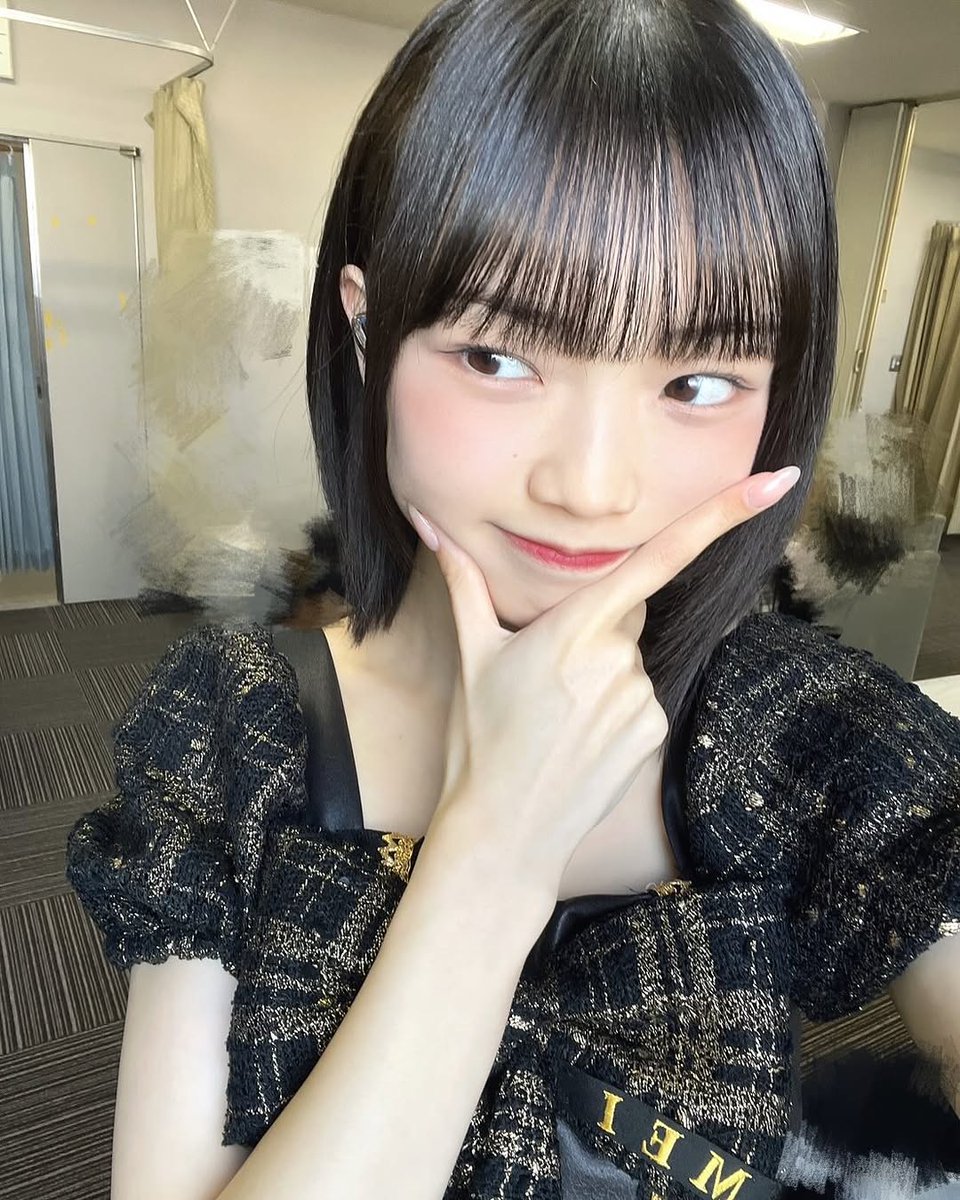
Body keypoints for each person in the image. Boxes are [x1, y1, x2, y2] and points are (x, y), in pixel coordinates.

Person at [65, 1, 960, 1197]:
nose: (591, 487)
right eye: (500, 358)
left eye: (698, 381)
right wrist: (492, 853)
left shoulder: (810, 732)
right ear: (367, 328)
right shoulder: (237, 734)